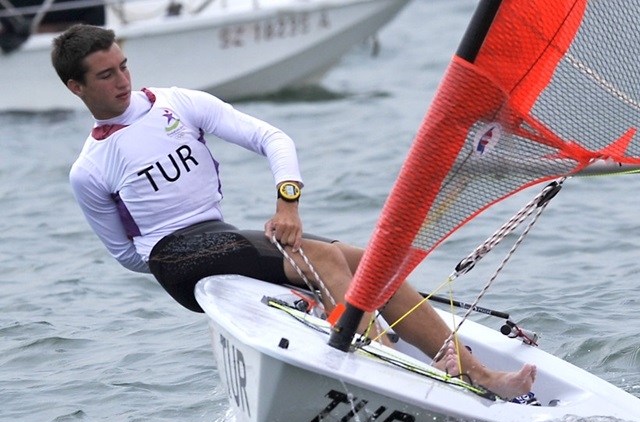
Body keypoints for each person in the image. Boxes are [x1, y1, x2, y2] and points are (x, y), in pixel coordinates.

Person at [51, 24, 536, 400]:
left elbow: (272, 138)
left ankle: (474, 370)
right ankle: (392, 367)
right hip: (173, 259)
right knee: (321, 259)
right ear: (76, 86)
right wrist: (188, 251)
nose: (123, 80)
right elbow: (126, 255)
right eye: (106, 75)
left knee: (372, 262)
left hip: (221, 234)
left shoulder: (178, 104)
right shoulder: (89, 170)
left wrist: (287, 204)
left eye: (124, 66)